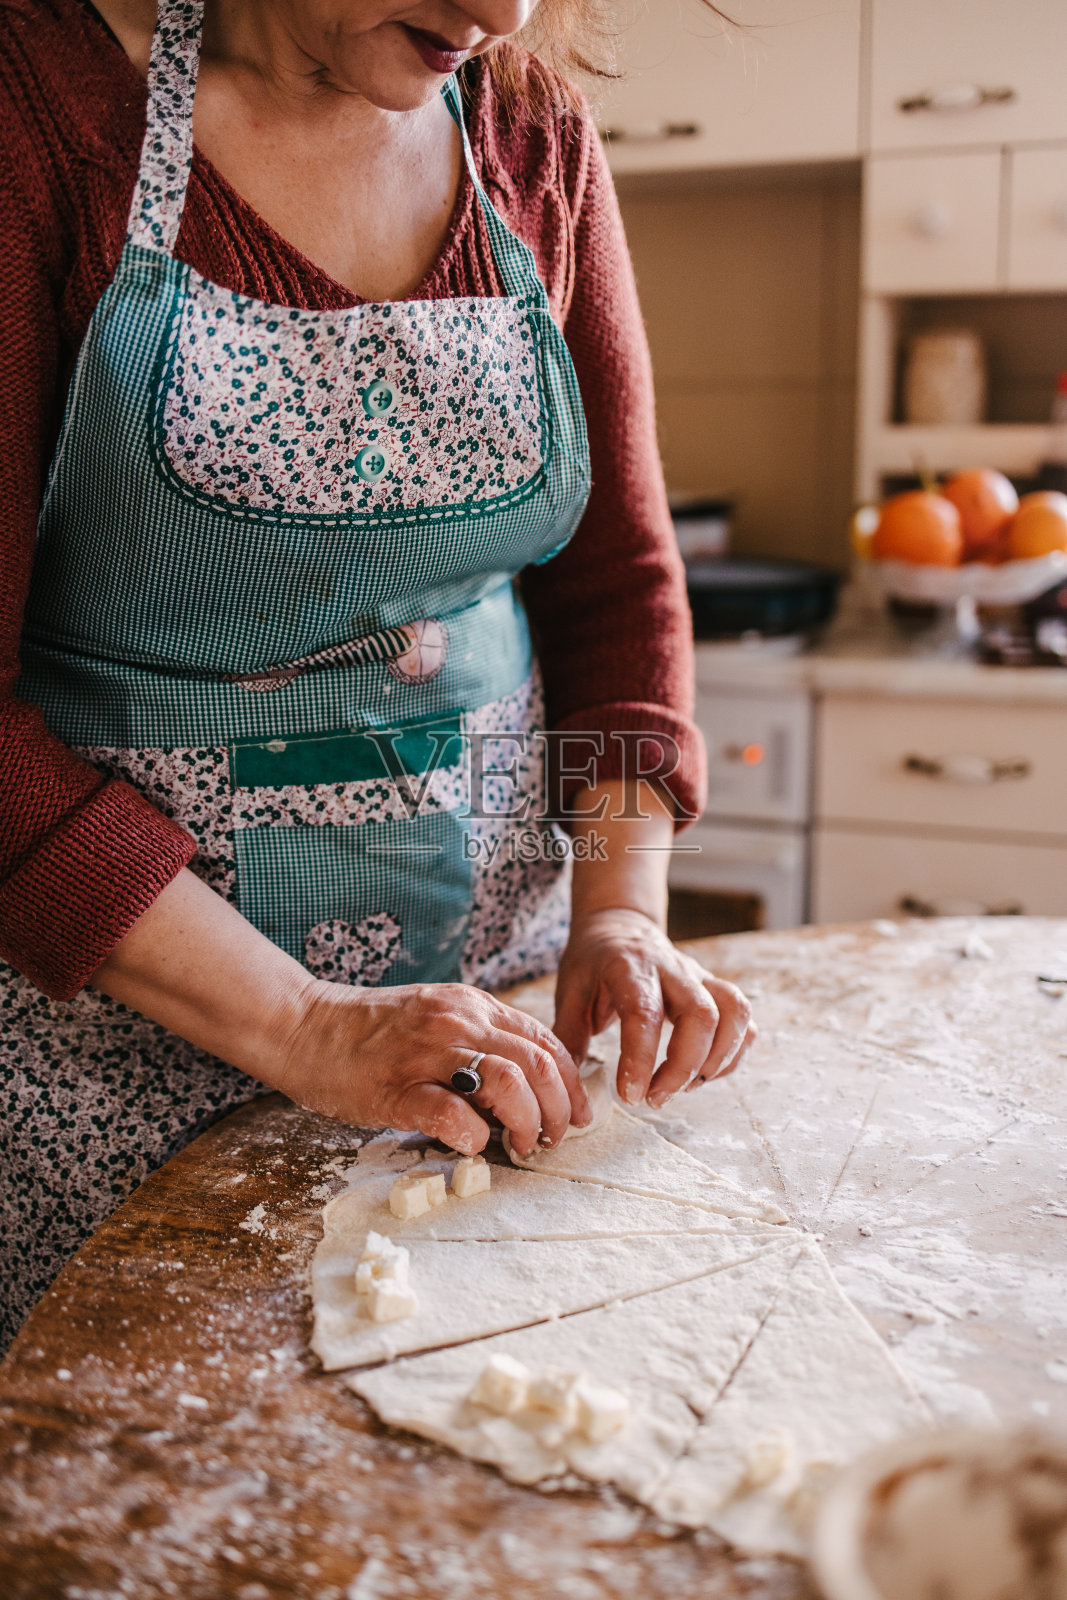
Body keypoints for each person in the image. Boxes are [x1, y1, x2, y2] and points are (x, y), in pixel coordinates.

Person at [0, 0, 755, 1349]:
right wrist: (306, 1026)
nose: (499, 13)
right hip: (132, 1055)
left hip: (495, 1026)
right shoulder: (39, 109)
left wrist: (622, 912)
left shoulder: (528, 124)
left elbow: (614, 587)